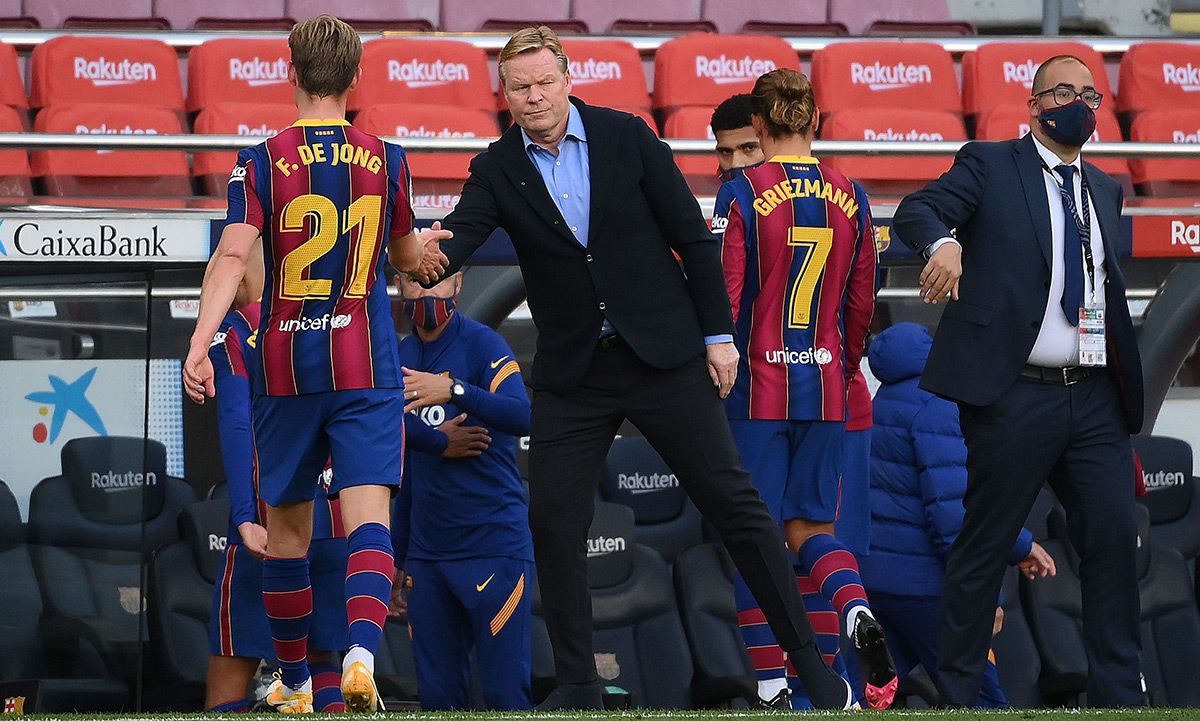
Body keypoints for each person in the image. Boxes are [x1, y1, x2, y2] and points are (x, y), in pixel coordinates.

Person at [417, 25, 853, 710]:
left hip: (664, 355)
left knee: (738, 507)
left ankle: (816, 672)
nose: (533, 97)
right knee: (555, 522)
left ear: (567, 79)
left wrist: (718, 336)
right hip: (574, 371)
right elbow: (461, 237)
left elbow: (691, 236)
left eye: (543, 83)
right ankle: (581, 683)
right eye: (520, 87)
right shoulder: (497, 167)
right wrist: (418, 251)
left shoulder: (628, 136)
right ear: (505, 94)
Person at [182, 14, 449, 714]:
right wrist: (425, 251)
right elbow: (403, 262)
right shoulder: (388, 159)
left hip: (284, 366)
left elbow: (233, 256)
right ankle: (361, 655)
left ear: (290, 73)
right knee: (368, 521)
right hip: (364, 362)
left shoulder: (260, 160)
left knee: (287, 535)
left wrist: (201, 338)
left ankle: (298, 681)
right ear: (356, 77)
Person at [892, 54, 1145, 707]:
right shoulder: (990, 162)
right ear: (1033, 105)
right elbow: (920, 209)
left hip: (1093, 393)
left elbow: (1099, 290)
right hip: (1014, 390)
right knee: (984, 544)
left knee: (1115, 535)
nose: (1079, 104)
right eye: (1063, 92)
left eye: (1090, 93)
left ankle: (1121, 693)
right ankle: (958, 691)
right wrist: (942, 244)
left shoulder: (1108, 189)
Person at [712, 69, 895, 711]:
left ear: (758, 127)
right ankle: (850, 618)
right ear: (815, 122)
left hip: (756, 392)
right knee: (814, 528)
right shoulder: (854, 194)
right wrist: (841, 372)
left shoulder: (741, 192)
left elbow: (727, 297)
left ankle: (771, 688)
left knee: (755, 541)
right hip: (825, 387)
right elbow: (862, 302)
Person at [861, 322, 1058, 708]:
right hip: (926, 588)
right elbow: (955, 517)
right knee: (982, 701)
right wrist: (985, 597)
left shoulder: (879, 404)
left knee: (874, 699)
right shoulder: (937, 406)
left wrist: (1018, 547)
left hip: (876, 583)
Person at [205, 256, 350, 714]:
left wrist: (246, 515)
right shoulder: (329, 325)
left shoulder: (235, 332)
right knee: (322, 660)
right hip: (335, 523)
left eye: (213, 275)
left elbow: (236, 423)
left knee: (230, 670)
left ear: (242, 276)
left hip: (274, 523)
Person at [389, 272, 534, 710]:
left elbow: (524, 417)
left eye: (439, 281)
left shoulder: (483, 344)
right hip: (429, 557)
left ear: (459, 285)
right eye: (416, 282)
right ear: (399, 285)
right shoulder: (398, 357)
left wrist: (453, 390)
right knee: (436, 698)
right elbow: (405, 469)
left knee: (505, 694)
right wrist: (399, 556)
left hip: (493, 547)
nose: (427, 291)